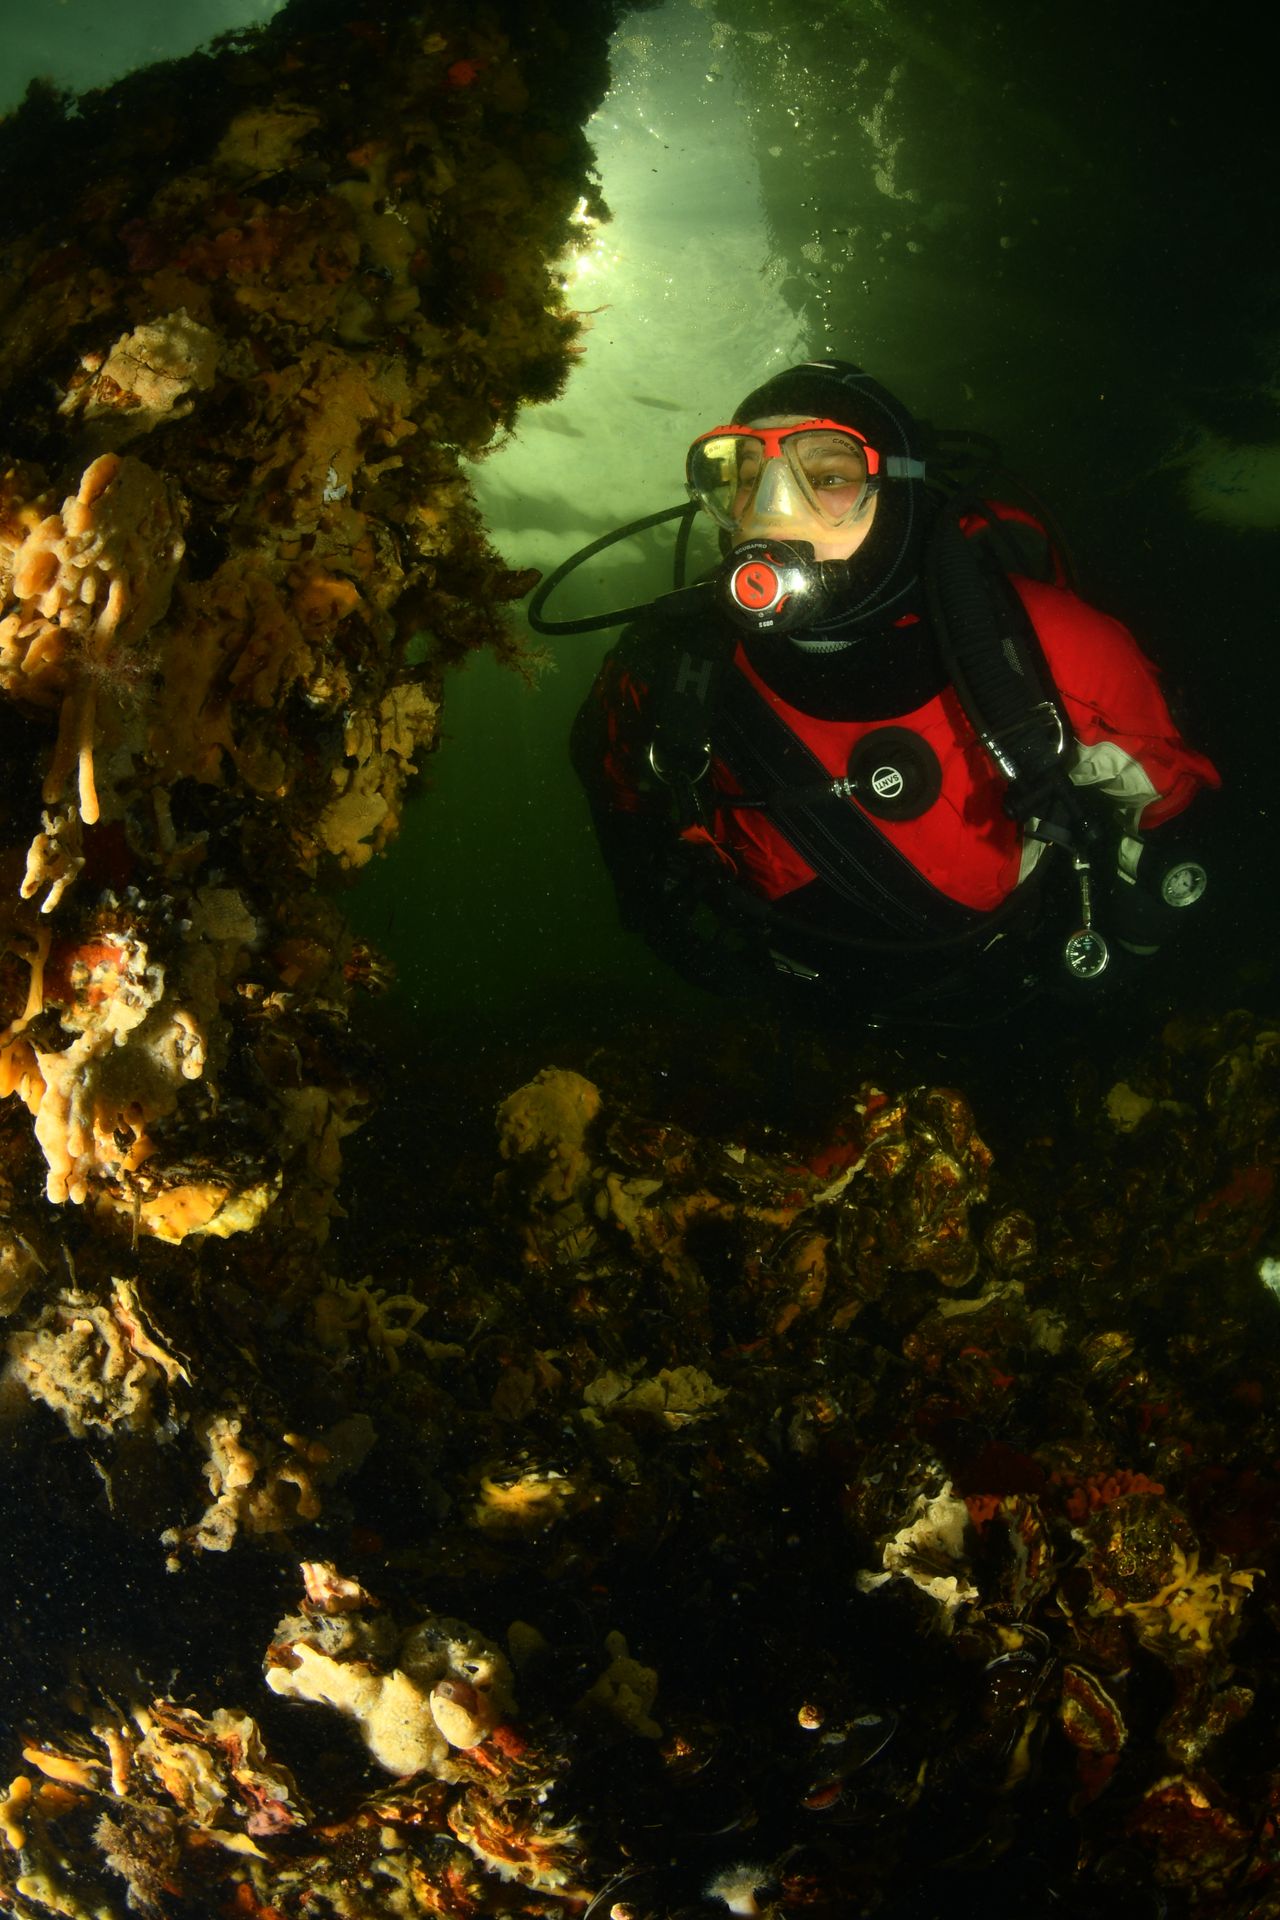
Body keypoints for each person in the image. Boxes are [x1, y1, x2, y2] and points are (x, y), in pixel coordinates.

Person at [569, 359, 1220, 1025]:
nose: (769, 511)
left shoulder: (1049, 644)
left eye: (828, 477)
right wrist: (659, 920)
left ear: (900, 491)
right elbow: (612, 783)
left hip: (1004, 1000)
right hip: (798, 1011)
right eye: (746, 476)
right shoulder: (671, 658)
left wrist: (1133, 942)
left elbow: (1169, 806)